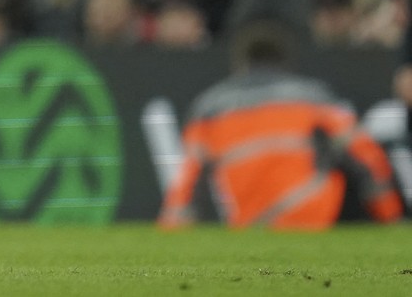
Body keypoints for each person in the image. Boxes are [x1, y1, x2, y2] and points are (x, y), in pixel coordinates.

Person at [160, 23, 402, 229]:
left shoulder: (210, 106)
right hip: (311, 216)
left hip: (251, 222)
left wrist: (172, 228)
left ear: (239, 63)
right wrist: (391, 218)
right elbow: (366, 157)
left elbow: (187, 180)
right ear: (285, 62)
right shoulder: (315, 97)